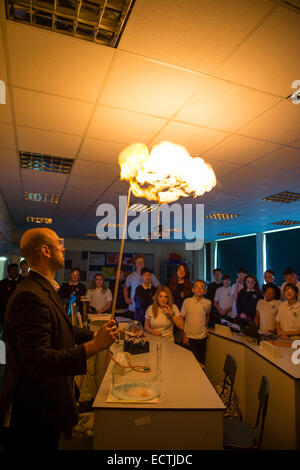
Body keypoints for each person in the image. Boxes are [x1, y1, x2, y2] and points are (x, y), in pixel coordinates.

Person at [0, 228, 117, 450]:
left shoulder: (44, 288)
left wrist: (94, 334)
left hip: (46, 407)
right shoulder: (29, 295)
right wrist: (93, 346)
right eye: (58, 243)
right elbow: (39, 362)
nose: (63, 248)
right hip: (36, 412)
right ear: (45, 250)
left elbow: (61, 329)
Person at [181, 280, 211, 365]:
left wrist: (206, 327)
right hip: (189, 337)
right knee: (189, 363)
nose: (199, 289)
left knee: (201, 363)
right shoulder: (187, 302)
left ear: (205, 291)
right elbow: (181, 319)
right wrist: (184, 335)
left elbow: (207, 315)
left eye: (202, 287)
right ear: (193, 290)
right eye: (196, 287)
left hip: (202, 338)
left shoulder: (208, 303)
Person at [124, 255, 160, 319]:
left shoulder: (151, 276)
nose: (140, 263)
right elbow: (125, 288)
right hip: (133, 307)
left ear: (144, 263)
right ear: (135, 263)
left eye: (142, 261)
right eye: (138, 261)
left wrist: (156, 296)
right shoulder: (130, 276)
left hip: (148, 308)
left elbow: (159, 288)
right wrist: (126, 299)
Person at [168, 263, 192, 344]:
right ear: (177, 270)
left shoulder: (189, 286)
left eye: (183, 270)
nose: (181, 272)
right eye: (179, 269)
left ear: (186, 273)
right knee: (170, 340)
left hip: (182, 317)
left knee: (179, 341)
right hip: (170, 315)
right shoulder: (170, 283)